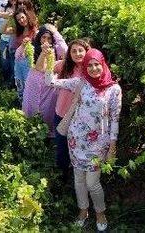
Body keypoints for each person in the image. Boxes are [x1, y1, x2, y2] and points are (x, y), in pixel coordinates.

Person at [45, 48, 121, 232]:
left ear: (103, 64)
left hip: (99, 143)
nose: (94, 68)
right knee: (78, 179)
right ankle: (83, 210)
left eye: (97, 64)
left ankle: (100, 212)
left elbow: (115, 119)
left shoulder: (113, 89)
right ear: (85, 67)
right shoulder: (80, 82)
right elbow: (50, 82)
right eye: (89, 65)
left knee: (92, 183)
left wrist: (112, 146)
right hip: (76, 139)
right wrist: (47, 58)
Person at [51, 38, 91, 183]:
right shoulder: (65, 66)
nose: (77, 53)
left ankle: (78, 177)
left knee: (78, 147)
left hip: (80, 117)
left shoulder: (91, 68)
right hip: (61, 112)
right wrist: (47, 55)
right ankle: (63, 176)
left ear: (87, 52)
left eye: (81, 50)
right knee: (61, 146)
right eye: (73, 51)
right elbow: (47, 68)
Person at [22, 25, 67, 134]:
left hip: (49, 84)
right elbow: (39, 67)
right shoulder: (32, 48)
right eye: (43, 37)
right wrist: (43, 53)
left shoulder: (56, 50)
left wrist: (55, 32)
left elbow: (66, 51)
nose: (46, 40)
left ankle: (46, 134)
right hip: (34, 82)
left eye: (49, 38)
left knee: (47, 108)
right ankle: (30, 130)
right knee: (31, 105)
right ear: (39, 38)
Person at [10, 7, 39, 102]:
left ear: (27, 16)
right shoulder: (19, 31)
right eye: (18, 19)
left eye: (22, 17)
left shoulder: (34, 30)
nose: (21, 21)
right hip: (19, 61)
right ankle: (21, 102)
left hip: (29, 62)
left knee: (29, 84)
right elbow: (14, 46)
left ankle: (30, 104)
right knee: (19, 81)